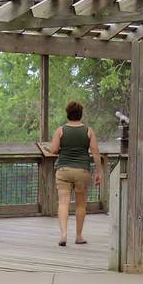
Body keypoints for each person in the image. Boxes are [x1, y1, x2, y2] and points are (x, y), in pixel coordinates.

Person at [44, 100, 103, 247]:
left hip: (63, 170)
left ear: (67, 114)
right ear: (81, 114)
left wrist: (46, 148)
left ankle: (63, 235)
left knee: (63, 203)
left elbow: (54, 150)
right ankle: (78, 236)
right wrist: (99, 172)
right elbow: (95, 153)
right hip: (82, 171)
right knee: (80, 204)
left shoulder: (60, 130)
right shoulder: (88, 131)